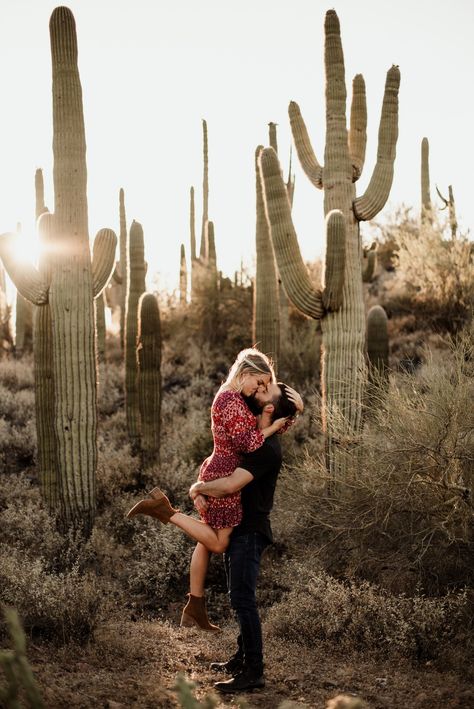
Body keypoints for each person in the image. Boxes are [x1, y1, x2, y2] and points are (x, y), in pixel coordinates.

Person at [126, 348, 302, 630]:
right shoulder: (230, 401)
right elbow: (249, 442)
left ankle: (195, 609)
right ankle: (165, 511)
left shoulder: (237, 397)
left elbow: (268, 416)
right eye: (259, 382)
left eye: (265, 386)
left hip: (221, 467)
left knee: (205, 542)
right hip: (223, 474)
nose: (261, 389)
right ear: (245, 374)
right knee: (219, 542)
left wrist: (294, 412)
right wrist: (271, 430)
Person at [189, 381, 300, 693]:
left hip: (250, 530)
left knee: (242, 599)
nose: (257, 390)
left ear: (267, 409)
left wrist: (198, 488)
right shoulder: (258, 435)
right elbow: (276, 418)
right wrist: (298, 409)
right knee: (237, 595)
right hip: (240, 527)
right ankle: (241, 657)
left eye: (264, 391)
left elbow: (229, 485)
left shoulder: (265, 449)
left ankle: (254, 670)